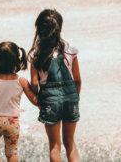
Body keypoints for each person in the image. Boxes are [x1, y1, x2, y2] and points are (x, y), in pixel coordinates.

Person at [29, 9, 81, 162]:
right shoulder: (70, 51)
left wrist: (38, 101)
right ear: (59, 28)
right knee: (70, 142)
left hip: (50, 101)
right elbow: (77, 79)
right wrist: (75, 97)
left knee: (55, 146)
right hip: (71, 98)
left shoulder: (36, 54)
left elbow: (33, 82)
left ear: (39, 29)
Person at [0, 41, 38, 162]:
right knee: (12, 152)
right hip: (12, 122)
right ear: (17, 60)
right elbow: (34, 100)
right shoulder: (21, 81)